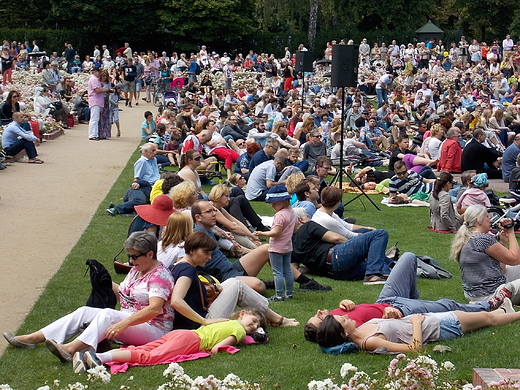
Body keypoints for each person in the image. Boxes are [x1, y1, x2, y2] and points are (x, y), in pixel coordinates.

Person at [3, 232, 174, 363]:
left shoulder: (160, 277)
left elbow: (154, 309)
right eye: (129, 256)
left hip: (154, 330)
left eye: (135, 256)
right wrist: (103, 278)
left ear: (150, 254)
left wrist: (123, 323)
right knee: (84, 311)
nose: (130, 260)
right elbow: (125, 293)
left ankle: (69, 350)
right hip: (131, 321)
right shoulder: (137, 269)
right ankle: (34, 338)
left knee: (108, 315)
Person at [304, 252, 510, 343]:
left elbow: (349, 311)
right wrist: (391, 316)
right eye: (320, 318)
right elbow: (376, 329)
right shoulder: (350, 328)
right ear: (330, 329)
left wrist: (346, 302)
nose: (321, 312)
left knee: (409, 258)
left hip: (387, 297)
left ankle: (420, 304)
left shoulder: (336, 316)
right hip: (402, 311)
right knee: (447, 305)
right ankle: (490, 304)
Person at [168, 230, 298, 330]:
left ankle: (273, 317)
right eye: (206, 253)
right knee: (237, 285)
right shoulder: (188, 270)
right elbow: (176, 301)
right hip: (199, 325)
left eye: (210, 254)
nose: (209, 258)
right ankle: (277, 319)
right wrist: (205, 321)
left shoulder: (175, 266)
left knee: (232, 282)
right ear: (191, 250)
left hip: (190, 322)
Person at [192, 199, 331, 293]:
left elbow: (233, 227)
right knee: (258, 286)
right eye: (209, 212)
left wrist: (252, 236)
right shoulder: (198, 235)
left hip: (231, 268)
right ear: (198, 217)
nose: (214, 214)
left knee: (266, 248)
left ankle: (305, 282)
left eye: (214, 210)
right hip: (223, 278)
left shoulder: (209, 229)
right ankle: (266, 283)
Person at [72, 308, 267, 373]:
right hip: (192, 341)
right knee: (149, 356)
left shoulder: (226, 320)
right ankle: (99, 357)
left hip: (182, 333)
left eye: (256, 327)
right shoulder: (239, 331)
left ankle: (87, 355)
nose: (253, 326)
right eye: (254, 321)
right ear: (242, 314)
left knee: (148, 347)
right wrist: (238, 343)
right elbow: (217, 348)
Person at [317, 308, 520, 353]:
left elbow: (394, 328)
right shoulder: (370, 341)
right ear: (343, 334)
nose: (347, 316)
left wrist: (391, 315)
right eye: (343, 320)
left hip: (431, 319)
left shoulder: (361, 329)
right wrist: (415, 323)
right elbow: (415, 349)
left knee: (485, 314)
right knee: (488, 319)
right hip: (441, 327)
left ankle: (505, 310)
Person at [292, 215, 393, 285]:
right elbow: (336, 238)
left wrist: (314, 268)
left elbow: (295, 269)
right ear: (301, 219)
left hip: (334, 273)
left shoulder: (291, 244)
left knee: (383, 265)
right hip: (337, 257)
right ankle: (373, 274)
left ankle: (393, 266)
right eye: (307, 215)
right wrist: (355, 247)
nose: (309, 217)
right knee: (380, 234)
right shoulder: (308, 226)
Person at [451, 204, 520, 304]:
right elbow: (515, 259)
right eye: (487, 217)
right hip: (491, 294)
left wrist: (503, 243)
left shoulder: (468, 237)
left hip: (474, 294)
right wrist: (511, 232)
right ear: (479, 220)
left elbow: (501, 269)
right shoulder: (483, 239)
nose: (490, 219)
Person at [255, 185, 298, 302]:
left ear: (283, 201)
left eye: (274, 203)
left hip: (276, 248)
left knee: (277, 272)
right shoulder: (292, 213)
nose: (272, 206)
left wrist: (262, 233)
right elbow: (294, 229)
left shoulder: (279, 215)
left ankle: (279, 295)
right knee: (287, 270)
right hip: (287, 246)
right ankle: (289, 293)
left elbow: (276, 232)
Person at [107, 143, 160, 216]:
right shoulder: (142, 162)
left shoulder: (154, 160)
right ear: (145, 151)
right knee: (140, 201)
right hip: (142, 187)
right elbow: (136, 178)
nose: (155, 153)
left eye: (155, 150)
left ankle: (126, 207)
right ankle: (116, 209)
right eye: (153, 150)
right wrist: (137, 184)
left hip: (154, 186)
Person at [88, 66, 111, 141]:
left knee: (96, 118)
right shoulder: (93, 79)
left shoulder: (95, 79)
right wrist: (106, 89)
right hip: (95, 100)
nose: (99, 73)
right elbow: (97, 90)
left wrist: (101, 85)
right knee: (94, 118)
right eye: (98, 71)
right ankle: (93, 135)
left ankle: (95, 134)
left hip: (97, 100)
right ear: (95, 71)